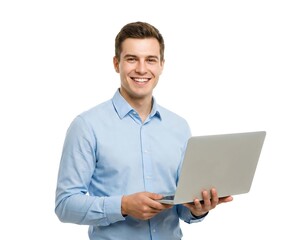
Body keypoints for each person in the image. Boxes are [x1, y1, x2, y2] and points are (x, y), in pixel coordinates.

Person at [55, 21, 233, 240]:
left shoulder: (179, 127)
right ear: (116, 63)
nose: (141, 69)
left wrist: (198, 208)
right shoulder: (86, 126)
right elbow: (65, 204)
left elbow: (182, 207)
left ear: (161, 65)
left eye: (150, 60)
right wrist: (123, 205)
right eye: (131, 59)